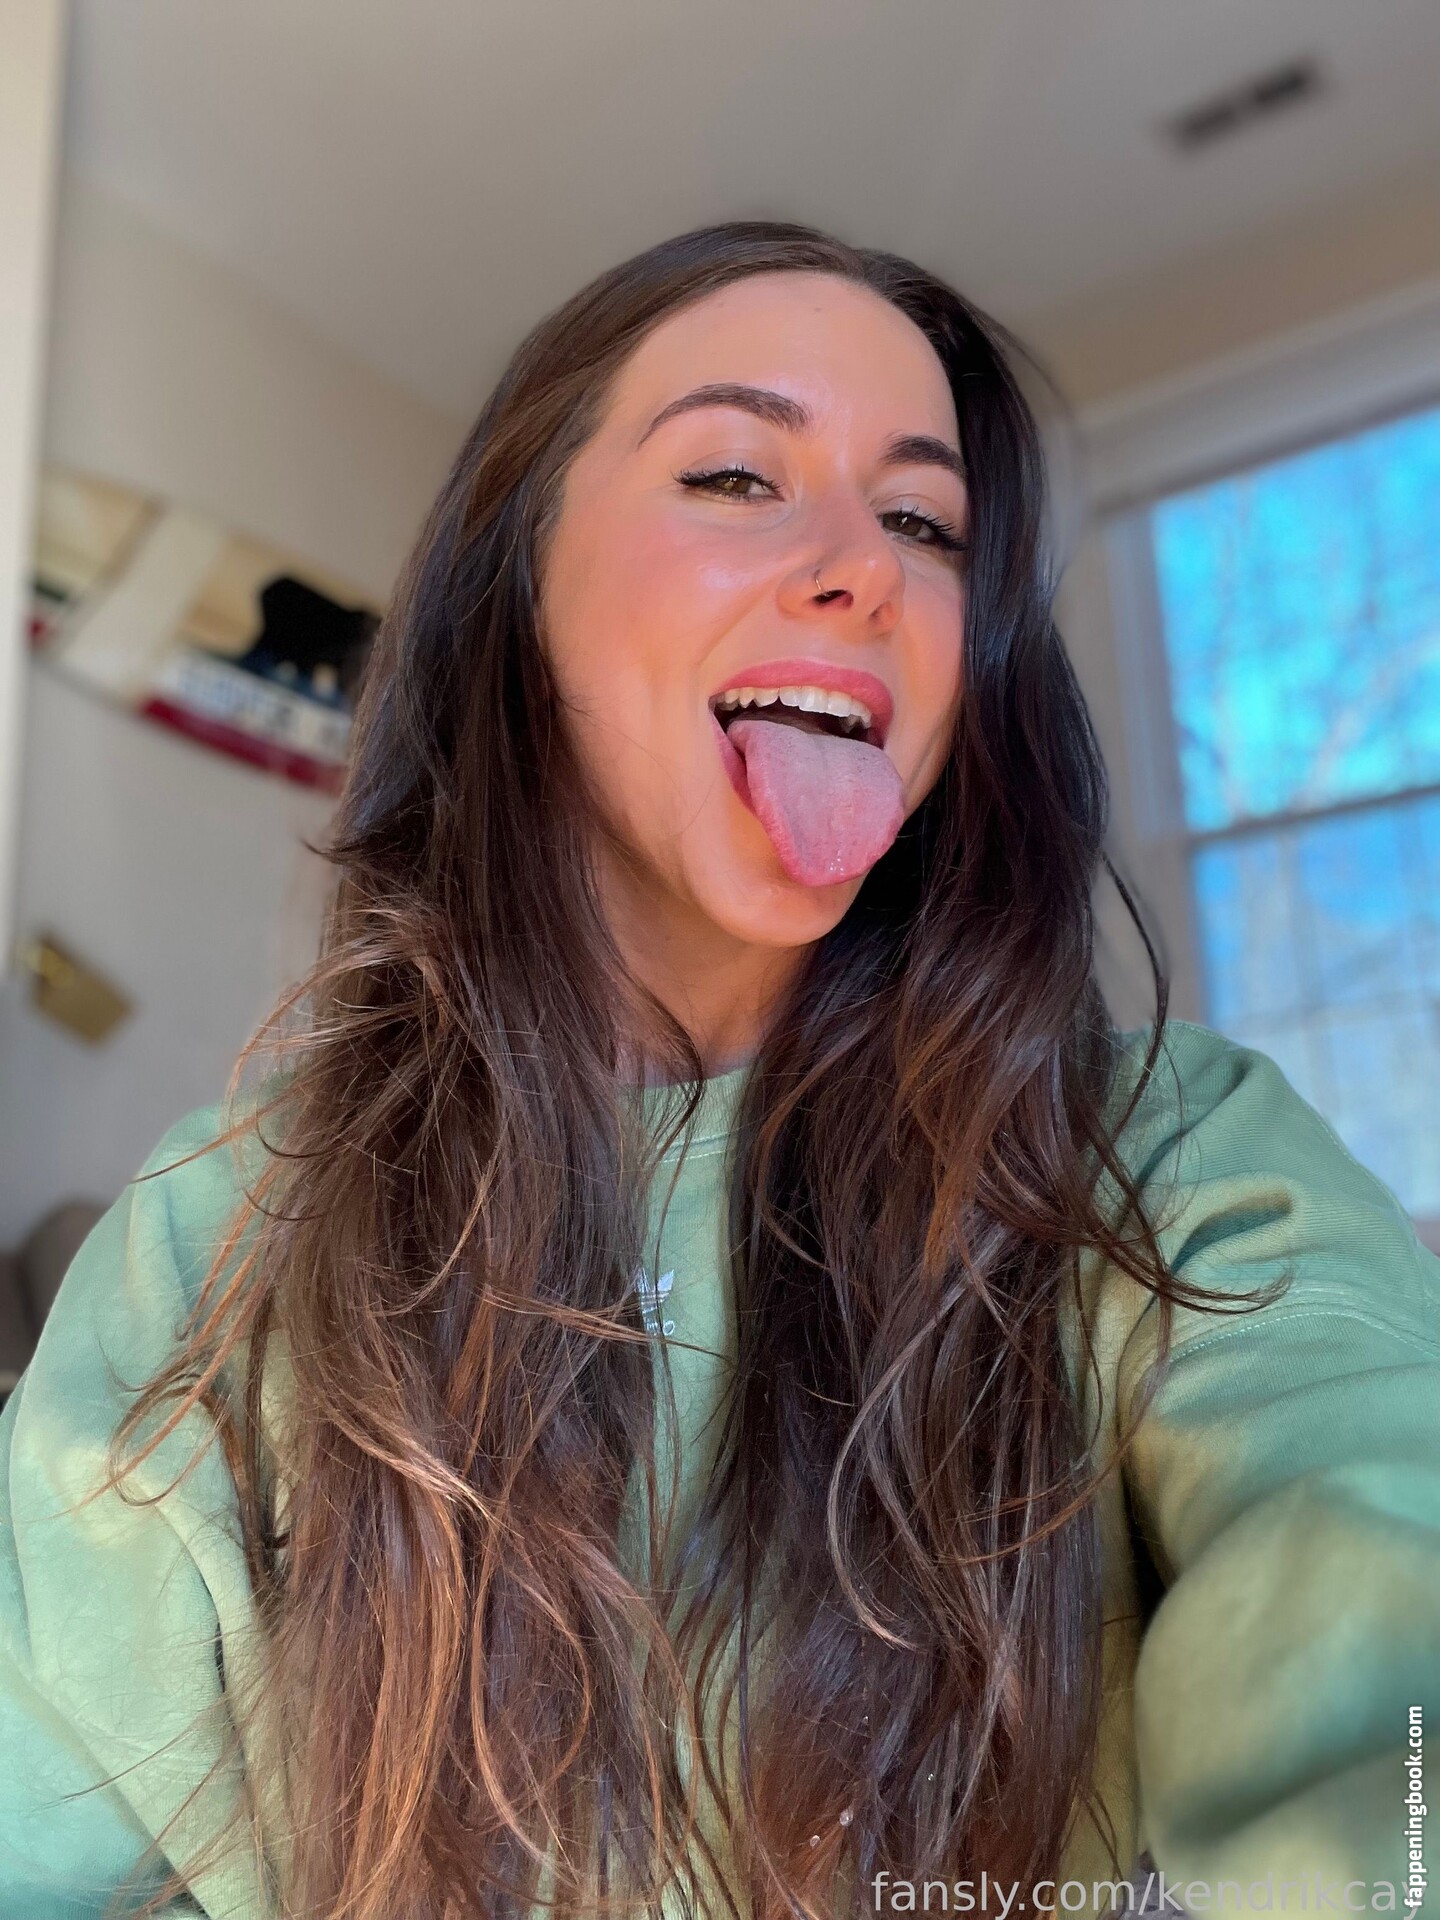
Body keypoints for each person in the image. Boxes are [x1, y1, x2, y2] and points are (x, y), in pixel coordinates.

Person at [1, 221, 1436, 1920]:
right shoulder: (216, 1239)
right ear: (515, 593)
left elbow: (1373, 1585)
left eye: (925, 523)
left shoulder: (1171, 1158)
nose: (865, 570)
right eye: (738, 475)